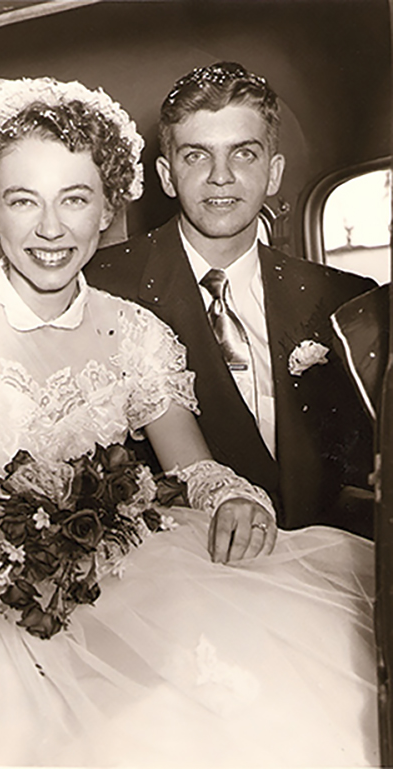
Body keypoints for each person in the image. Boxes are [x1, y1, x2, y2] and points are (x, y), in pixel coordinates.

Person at [0, 76, 377, 766]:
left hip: (118, 582)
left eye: (75, 200)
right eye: (24, 201)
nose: (51, 230)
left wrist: (231, 492)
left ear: (107, 209)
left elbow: (192, 465)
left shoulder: (138, 334)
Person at [86, 61, 377, 537]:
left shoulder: (345, 301)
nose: (220, 176)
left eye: (243, 154)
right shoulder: (101, 286)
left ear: (274, 171)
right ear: (165, 174)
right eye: (197, 156)